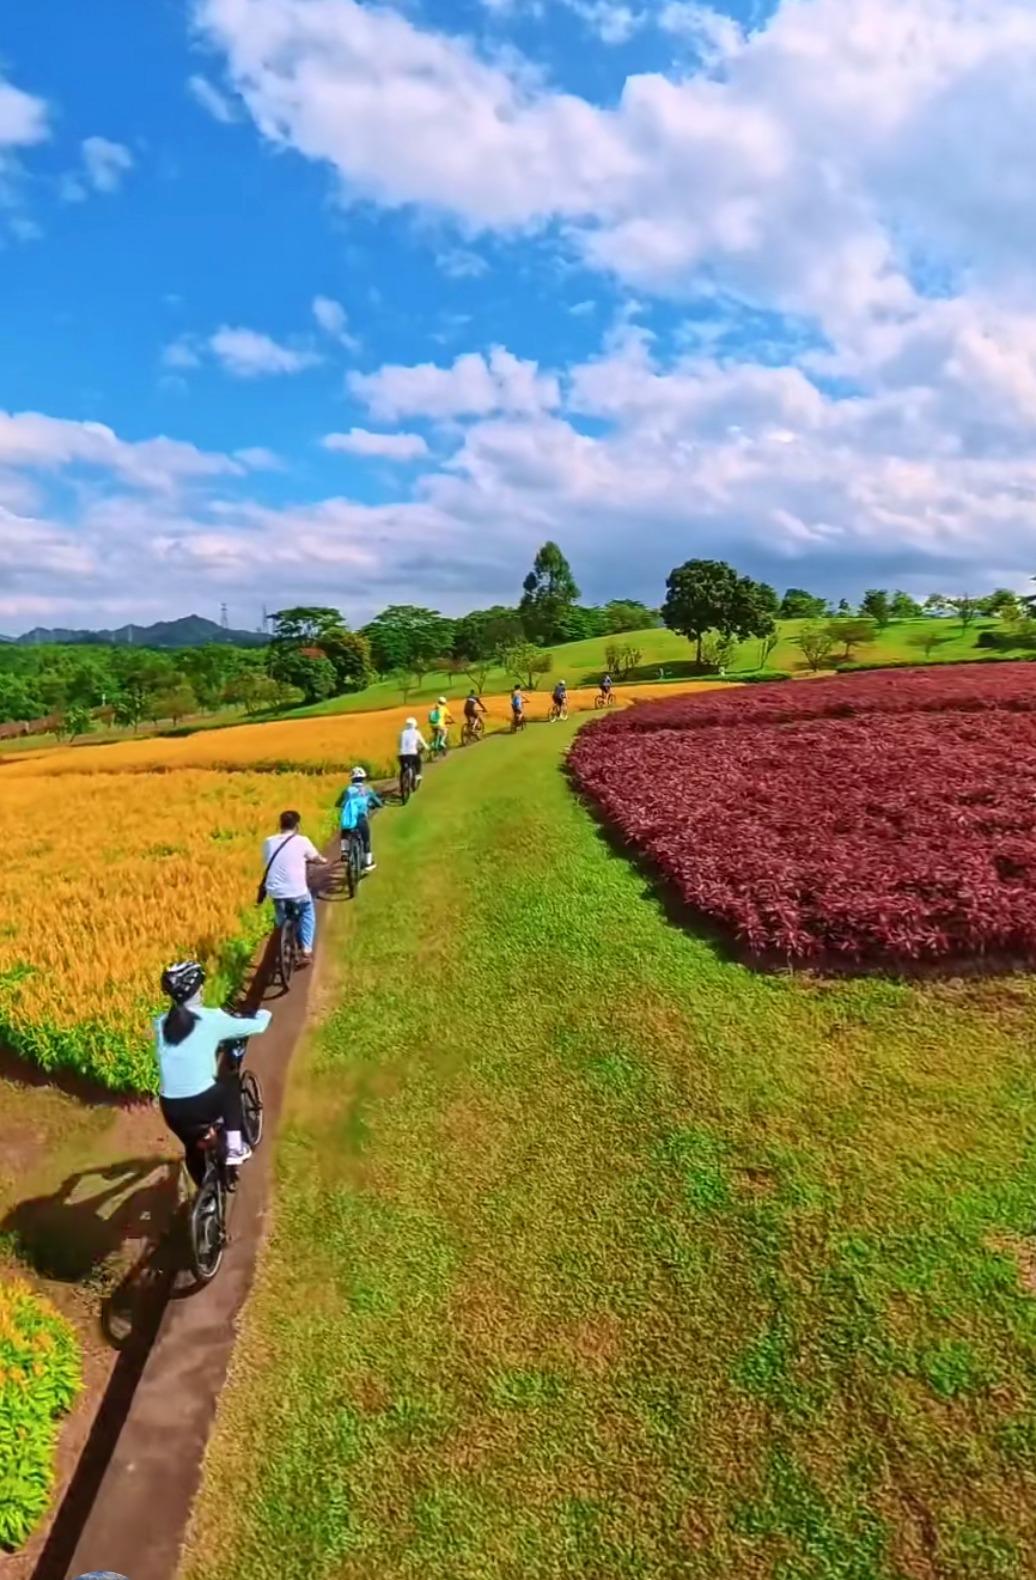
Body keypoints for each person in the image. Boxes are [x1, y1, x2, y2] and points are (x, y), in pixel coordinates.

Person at [155, 960, 270, 1181]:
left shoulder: (161, 1023)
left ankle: (205, 1201)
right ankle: (235, 1147)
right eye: (201, 985)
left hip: (170, 1109)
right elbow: (257, 1026)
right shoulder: (212, 1019)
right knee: (230, 1087)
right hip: (200, 1102)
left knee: (192, 1147)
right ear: (197, 990)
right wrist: (263, 1015)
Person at [260, 809, 327, 966]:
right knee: (307, 910)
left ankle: (284, 936)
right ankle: (306, 951)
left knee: (281, 914)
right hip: (297, 891)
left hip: (275, 890)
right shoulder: (302, 841)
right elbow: (314, 857)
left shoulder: (268, 841)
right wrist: (322, 860)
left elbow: (266, 860)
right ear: (297, 826)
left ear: (280, 824)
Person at [339, 766, 384, 871]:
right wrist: (378, 804)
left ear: (352, 779)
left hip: (350, 819)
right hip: (361, 819)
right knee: (366, 839)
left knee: (345, 832)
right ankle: (368, 863)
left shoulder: (347, 790)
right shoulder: (367, 789)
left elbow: (339, 803)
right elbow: (378, 803)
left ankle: (345, 852)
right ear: (363, 778)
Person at [398, 715, 427, 787]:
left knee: (403, 768)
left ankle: (402, 779)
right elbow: (422, 742)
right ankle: (417, 774)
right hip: (413, 753)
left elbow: (399, 744)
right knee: (418, 762)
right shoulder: (416, 732)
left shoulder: (402, 733)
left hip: (402, 754)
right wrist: (426, 747)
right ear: (415, 724)